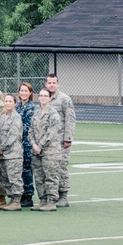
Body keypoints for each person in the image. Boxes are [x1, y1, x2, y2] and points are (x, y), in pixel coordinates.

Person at [31, 89, 63, 211]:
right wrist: (34, 144)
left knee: (50, 176)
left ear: (50, 98)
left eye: (45, 96)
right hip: (36, 151)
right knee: (39, 177)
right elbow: (31, 131)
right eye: (41, 96)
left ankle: (52, 201)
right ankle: (43, 200)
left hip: (50, 151)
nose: (43, 98)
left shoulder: (53, 114)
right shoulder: (36, 113)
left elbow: (51, 133)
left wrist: (40, 145)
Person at [45, 74, 75, 207]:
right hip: (48, 141)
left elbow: (70, 119)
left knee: (61, 167)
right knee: (50, 168)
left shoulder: (64, 99)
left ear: (58, 84)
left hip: (60, 140)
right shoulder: (44, 98)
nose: (51, 85)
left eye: (54, 82)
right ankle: (52, 195)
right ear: (46, 84)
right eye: (49, 82)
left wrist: (68, 138)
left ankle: (63, 195)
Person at [0, 94, 24, 210]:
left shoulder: (16, 117)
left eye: (10, 101)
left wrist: (1, 147)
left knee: (14, 178)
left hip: (13, 154)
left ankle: (17, 201)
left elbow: (13, 135)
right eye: (6, 101)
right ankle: (11, 199)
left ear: (15, 103)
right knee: (6, 178)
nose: (7, 103)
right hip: (3, 154)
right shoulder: (2, 117)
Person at [17, 82, 38, 207]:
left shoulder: (32, 107)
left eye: (26, 91)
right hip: (17, 143)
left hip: (27, 143)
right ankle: (20, 193)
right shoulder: (17, 107)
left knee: (27, 169)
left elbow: (27, 126)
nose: (23, 93)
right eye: (21, 91)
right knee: (19, 169)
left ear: (30, 93)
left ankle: (28, 195)